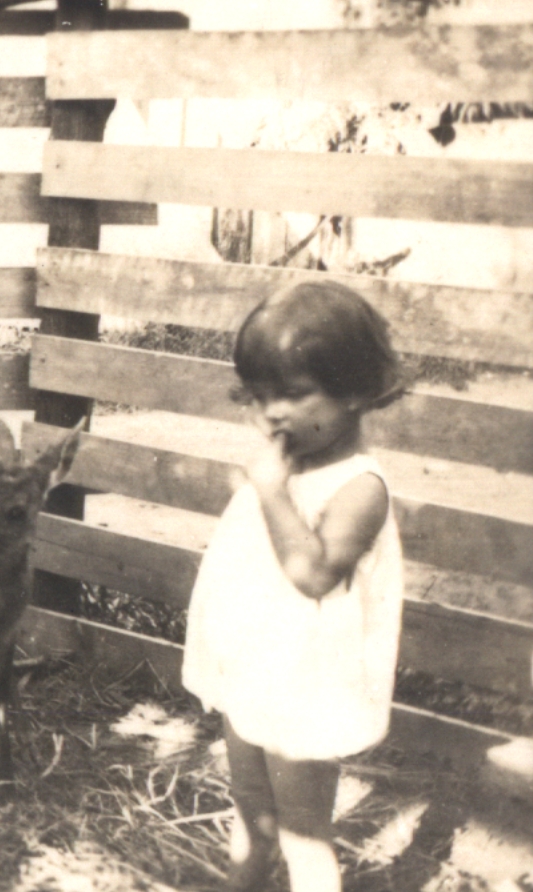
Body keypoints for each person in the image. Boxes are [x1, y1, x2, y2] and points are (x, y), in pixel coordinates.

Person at [182, 281, 407, 892]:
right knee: (250, 806)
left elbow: (314, 575)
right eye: (260, 396)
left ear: (354, 390)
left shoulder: (359, 487)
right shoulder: (288, 468)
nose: (272, 414)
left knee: (303, 830)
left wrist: (271, 494)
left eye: (293, 394)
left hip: (306, 683)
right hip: (254, 666)